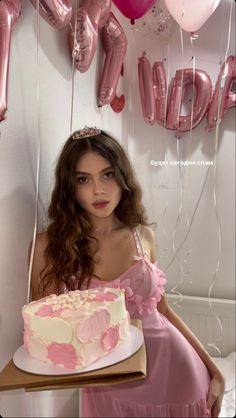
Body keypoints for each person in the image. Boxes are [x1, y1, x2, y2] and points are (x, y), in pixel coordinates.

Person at [31, 127, 225, 418]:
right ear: (70, 187)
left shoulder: (143, 235)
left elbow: (163, 310)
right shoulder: (50, 245)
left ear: (122, 178)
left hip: (175, 372)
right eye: (84, 179)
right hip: (106, 383)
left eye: (108, 174)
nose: (99, 189)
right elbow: (46, 327)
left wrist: (215, 370)